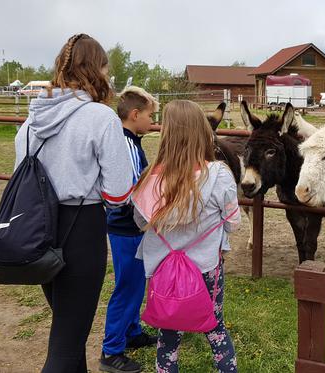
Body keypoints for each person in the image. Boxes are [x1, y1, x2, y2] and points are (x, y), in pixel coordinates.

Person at [14, 34, 134, 372]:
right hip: (80, 230)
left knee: (70, 331)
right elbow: (118, 193)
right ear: (95, 70)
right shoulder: (101, 118)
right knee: (66, 344)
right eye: (106, 70)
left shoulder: (30, 122)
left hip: (36, 228)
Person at [132, 100, 241, 373]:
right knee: (215, 328)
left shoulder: (149, 179)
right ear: (201, 132)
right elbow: (234, 222)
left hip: (162, 272)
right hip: (205, 268)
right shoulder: (218, 176)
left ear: (167, 133)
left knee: (167, 336)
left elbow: (140, 220)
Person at [99, 86, 160, 373]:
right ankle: (111, 351)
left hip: (130, 225)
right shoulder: (125, 146)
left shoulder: (132, 141)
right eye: (150, 115)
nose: (153, 121)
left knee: (135, 284)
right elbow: (132, 187)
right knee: (127, 287)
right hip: (126, 227)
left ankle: (132, 332)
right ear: (135, 115)